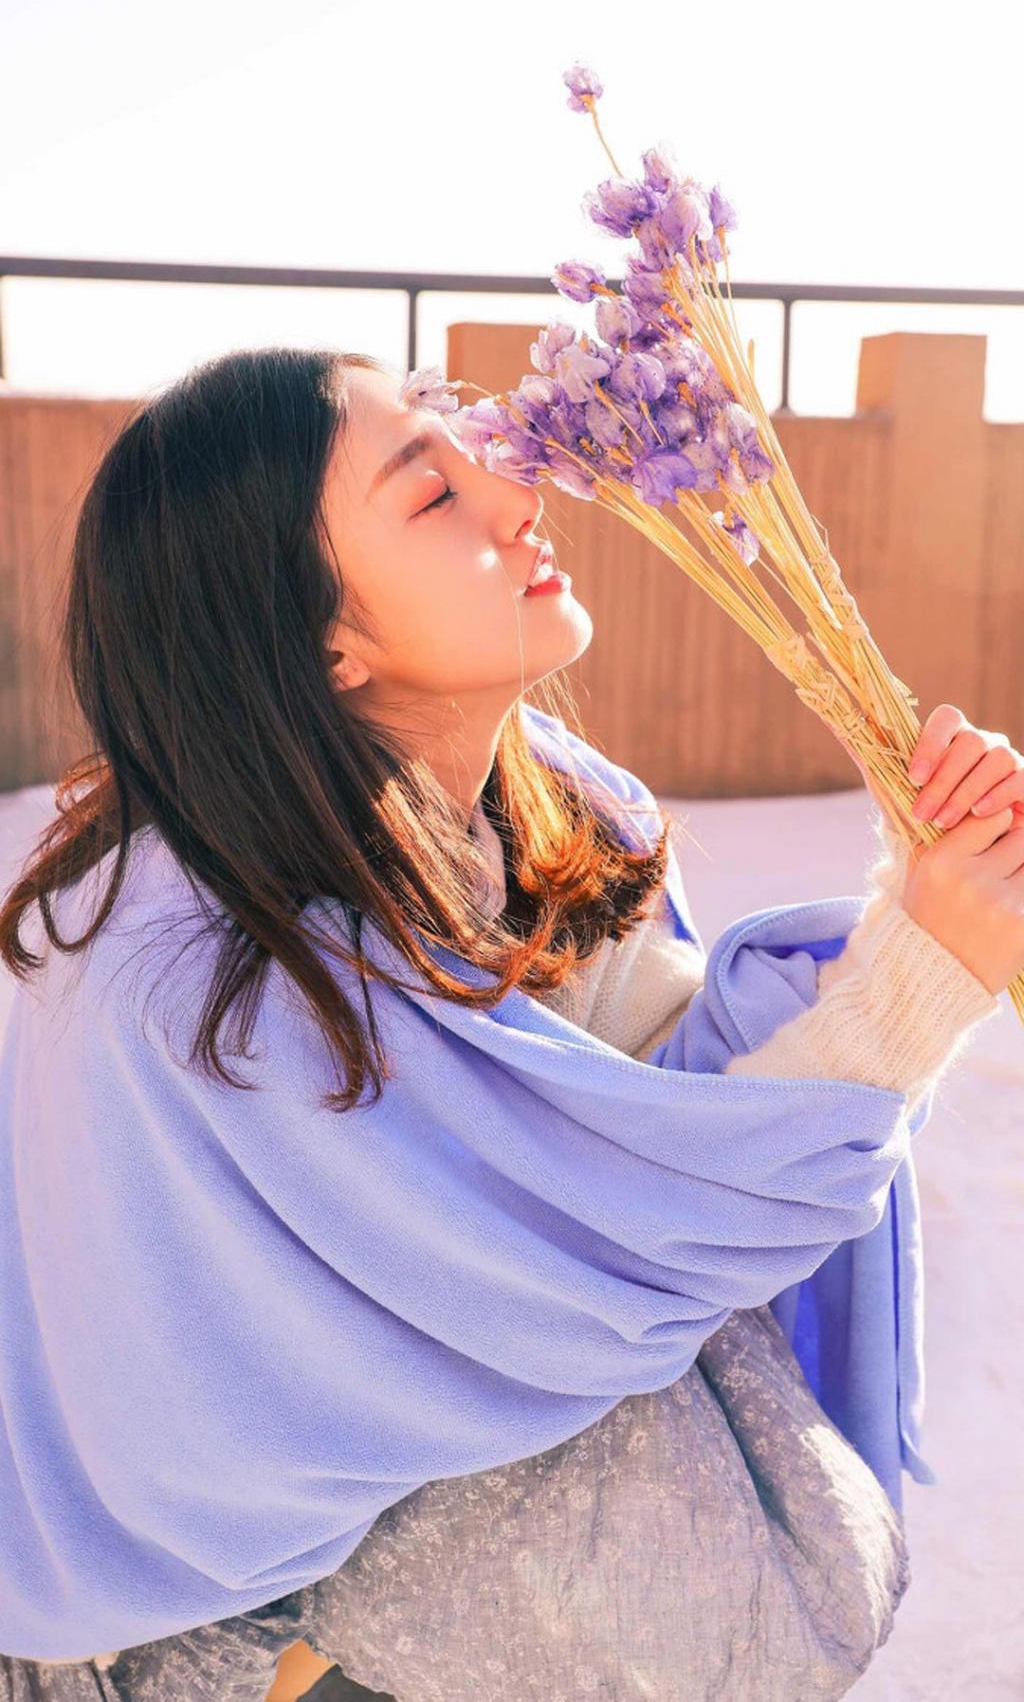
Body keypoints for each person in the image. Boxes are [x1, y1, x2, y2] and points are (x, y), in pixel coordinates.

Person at [0, 348, 1019, 1702]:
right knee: (621, 1506)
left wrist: (926, 895)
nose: (516, 491)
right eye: (430, 496)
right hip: (207, 1635)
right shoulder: (196, 975)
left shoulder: (556, 803)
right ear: (323, 641)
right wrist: (916, 978)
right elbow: (590, 1261)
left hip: (395, 1614)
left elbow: (648, 1134)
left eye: (462, 436)